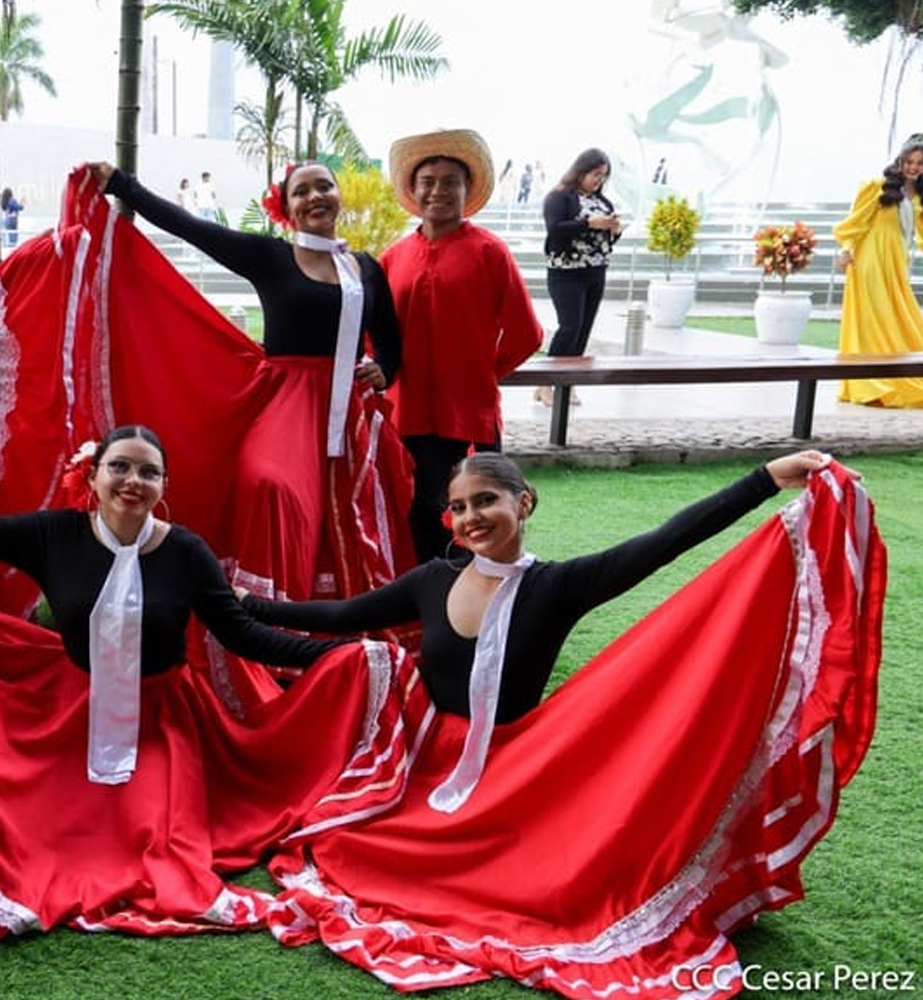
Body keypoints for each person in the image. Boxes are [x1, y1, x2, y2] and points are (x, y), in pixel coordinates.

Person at [243, 450, 883, 997]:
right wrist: (244, 604)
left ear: (523, 503)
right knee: (352, 805)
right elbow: (339, 615)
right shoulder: (431, 580)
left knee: (553, 886)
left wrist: (764, 478)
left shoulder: (560, 585)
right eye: (460, 508)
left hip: (522, 767)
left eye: (486, 500)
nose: (472, 518)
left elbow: (665, 541)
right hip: (427, 760)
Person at [0, 424, 397, 946]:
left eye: (148, 473)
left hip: (163, 722)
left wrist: (339, 656)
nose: (133, 482)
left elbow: (245, 636)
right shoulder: (55, 533)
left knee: (150, 842)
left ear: (163, 487)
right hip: (66, 706)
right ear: (94, 475)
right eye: (120, 467)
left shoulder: (185, 552)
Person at [85, 160, 413, 603]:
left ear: (338, 197)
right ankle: (269, 612)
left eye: (324, 187)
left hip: (348, 411)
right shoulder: (270, 256)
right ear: (288, 208)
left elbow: (390, 342)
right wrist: (123, 185)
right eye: (302, 192)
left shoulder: (366, 268)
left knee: (345, 512)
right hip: (287, 400)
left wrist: (384, 368)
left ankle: (334, 613)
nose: (315, 196)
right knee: (269, 483)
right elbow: (190, 228)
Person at [382, 129, 543, 562]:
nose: (438, 191)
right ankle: (424, 614)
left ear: (466, 190)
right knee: (416, 516)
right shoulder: (393, 258)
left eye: (450, 181)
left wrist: (481, 374)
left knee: (479, 521)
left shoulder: (490, 252)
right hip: (407, 415)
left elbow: (527, 333)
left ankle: (482, 611)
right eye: (427, 182)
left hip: (468, 417)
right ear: (413, 191)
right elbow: (373, 335)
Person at [833, 133, 923, 407]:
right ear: (900, 159)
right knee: (874, 317)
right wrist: (846, 249)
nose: (913, 167)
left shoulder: (919, 195)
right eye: (909, 161)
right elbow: (855, 222)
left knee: (900, 314)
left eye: (919, 163)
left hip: (896, 264)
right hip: (870, 262)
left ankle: (898, 370)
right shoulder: (877, 186)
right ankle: (872, 380)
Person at [538, 147, 623, 407]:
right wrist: (589, 224)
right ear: (582, 171)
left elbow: (605, 238)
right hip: (566, 273)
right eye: (596, 174)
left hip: (595, 272)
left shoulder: (603, 202)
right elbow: (555, 231)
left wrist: (614, 229)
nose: (599, 180)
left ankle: (568, 385)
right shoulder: (559, 197)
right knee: (569, 327)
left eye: (603, 176)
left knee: (583, 332)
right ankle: (544, 384)